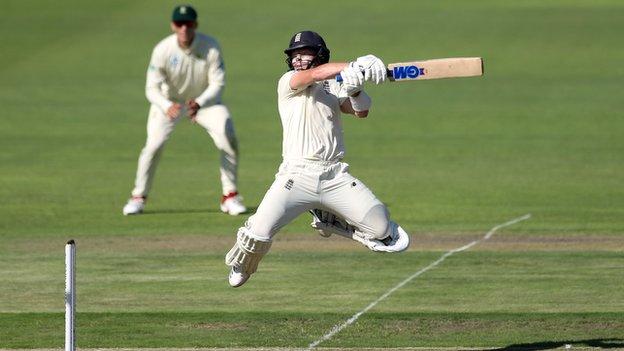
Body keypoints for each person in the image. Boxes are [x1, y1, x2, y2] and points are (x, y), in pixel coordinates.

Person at [224, 31, 410, 287]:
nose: (298, 60)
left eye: (304, 54)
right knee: (257, 236)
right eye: (294, 56)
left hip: (335, 175)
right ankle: (243, 262)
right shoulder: (289, 81)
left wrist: (355, 89)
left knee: (383, 231)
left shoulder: (333, 85)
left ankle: (330, 220)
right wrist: (354, 66)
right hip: (295, 177)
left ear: (319, 55)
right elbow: (314, 75)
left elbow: (361, 111)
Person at [122, 5, 246, 216]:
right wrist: (166, 105)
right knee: (153, 146)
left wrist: (200, 102)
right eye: (180, 24)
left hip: (204, 102)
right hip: (170, 104)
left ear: (195, 25)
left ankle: (230, 196)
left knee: (227, 136)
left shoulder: (211, 47)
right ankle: (138, 197)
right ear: (173, 25)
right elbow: (151, 88)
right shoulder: (163, 50)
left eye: (188, 24)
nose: (184, 28)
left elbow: (218, 84)